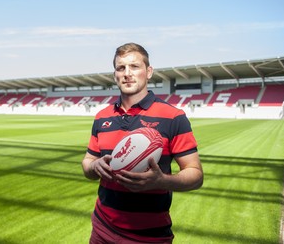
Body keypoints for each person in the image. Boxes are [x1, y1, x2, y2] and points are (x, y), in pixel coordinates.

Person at [82, 42, 203, 243]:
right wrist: (94, 166)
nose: (127, 73)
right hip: (102, 229)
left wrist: (162, 181)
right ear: (115, 75)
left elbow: (196, 175)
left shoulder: (174, 117)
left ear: (148, 72)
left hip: (149, 237)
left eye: (134, 66)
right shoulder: (101, 117)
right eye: (121, 68)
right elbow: (87, 163)